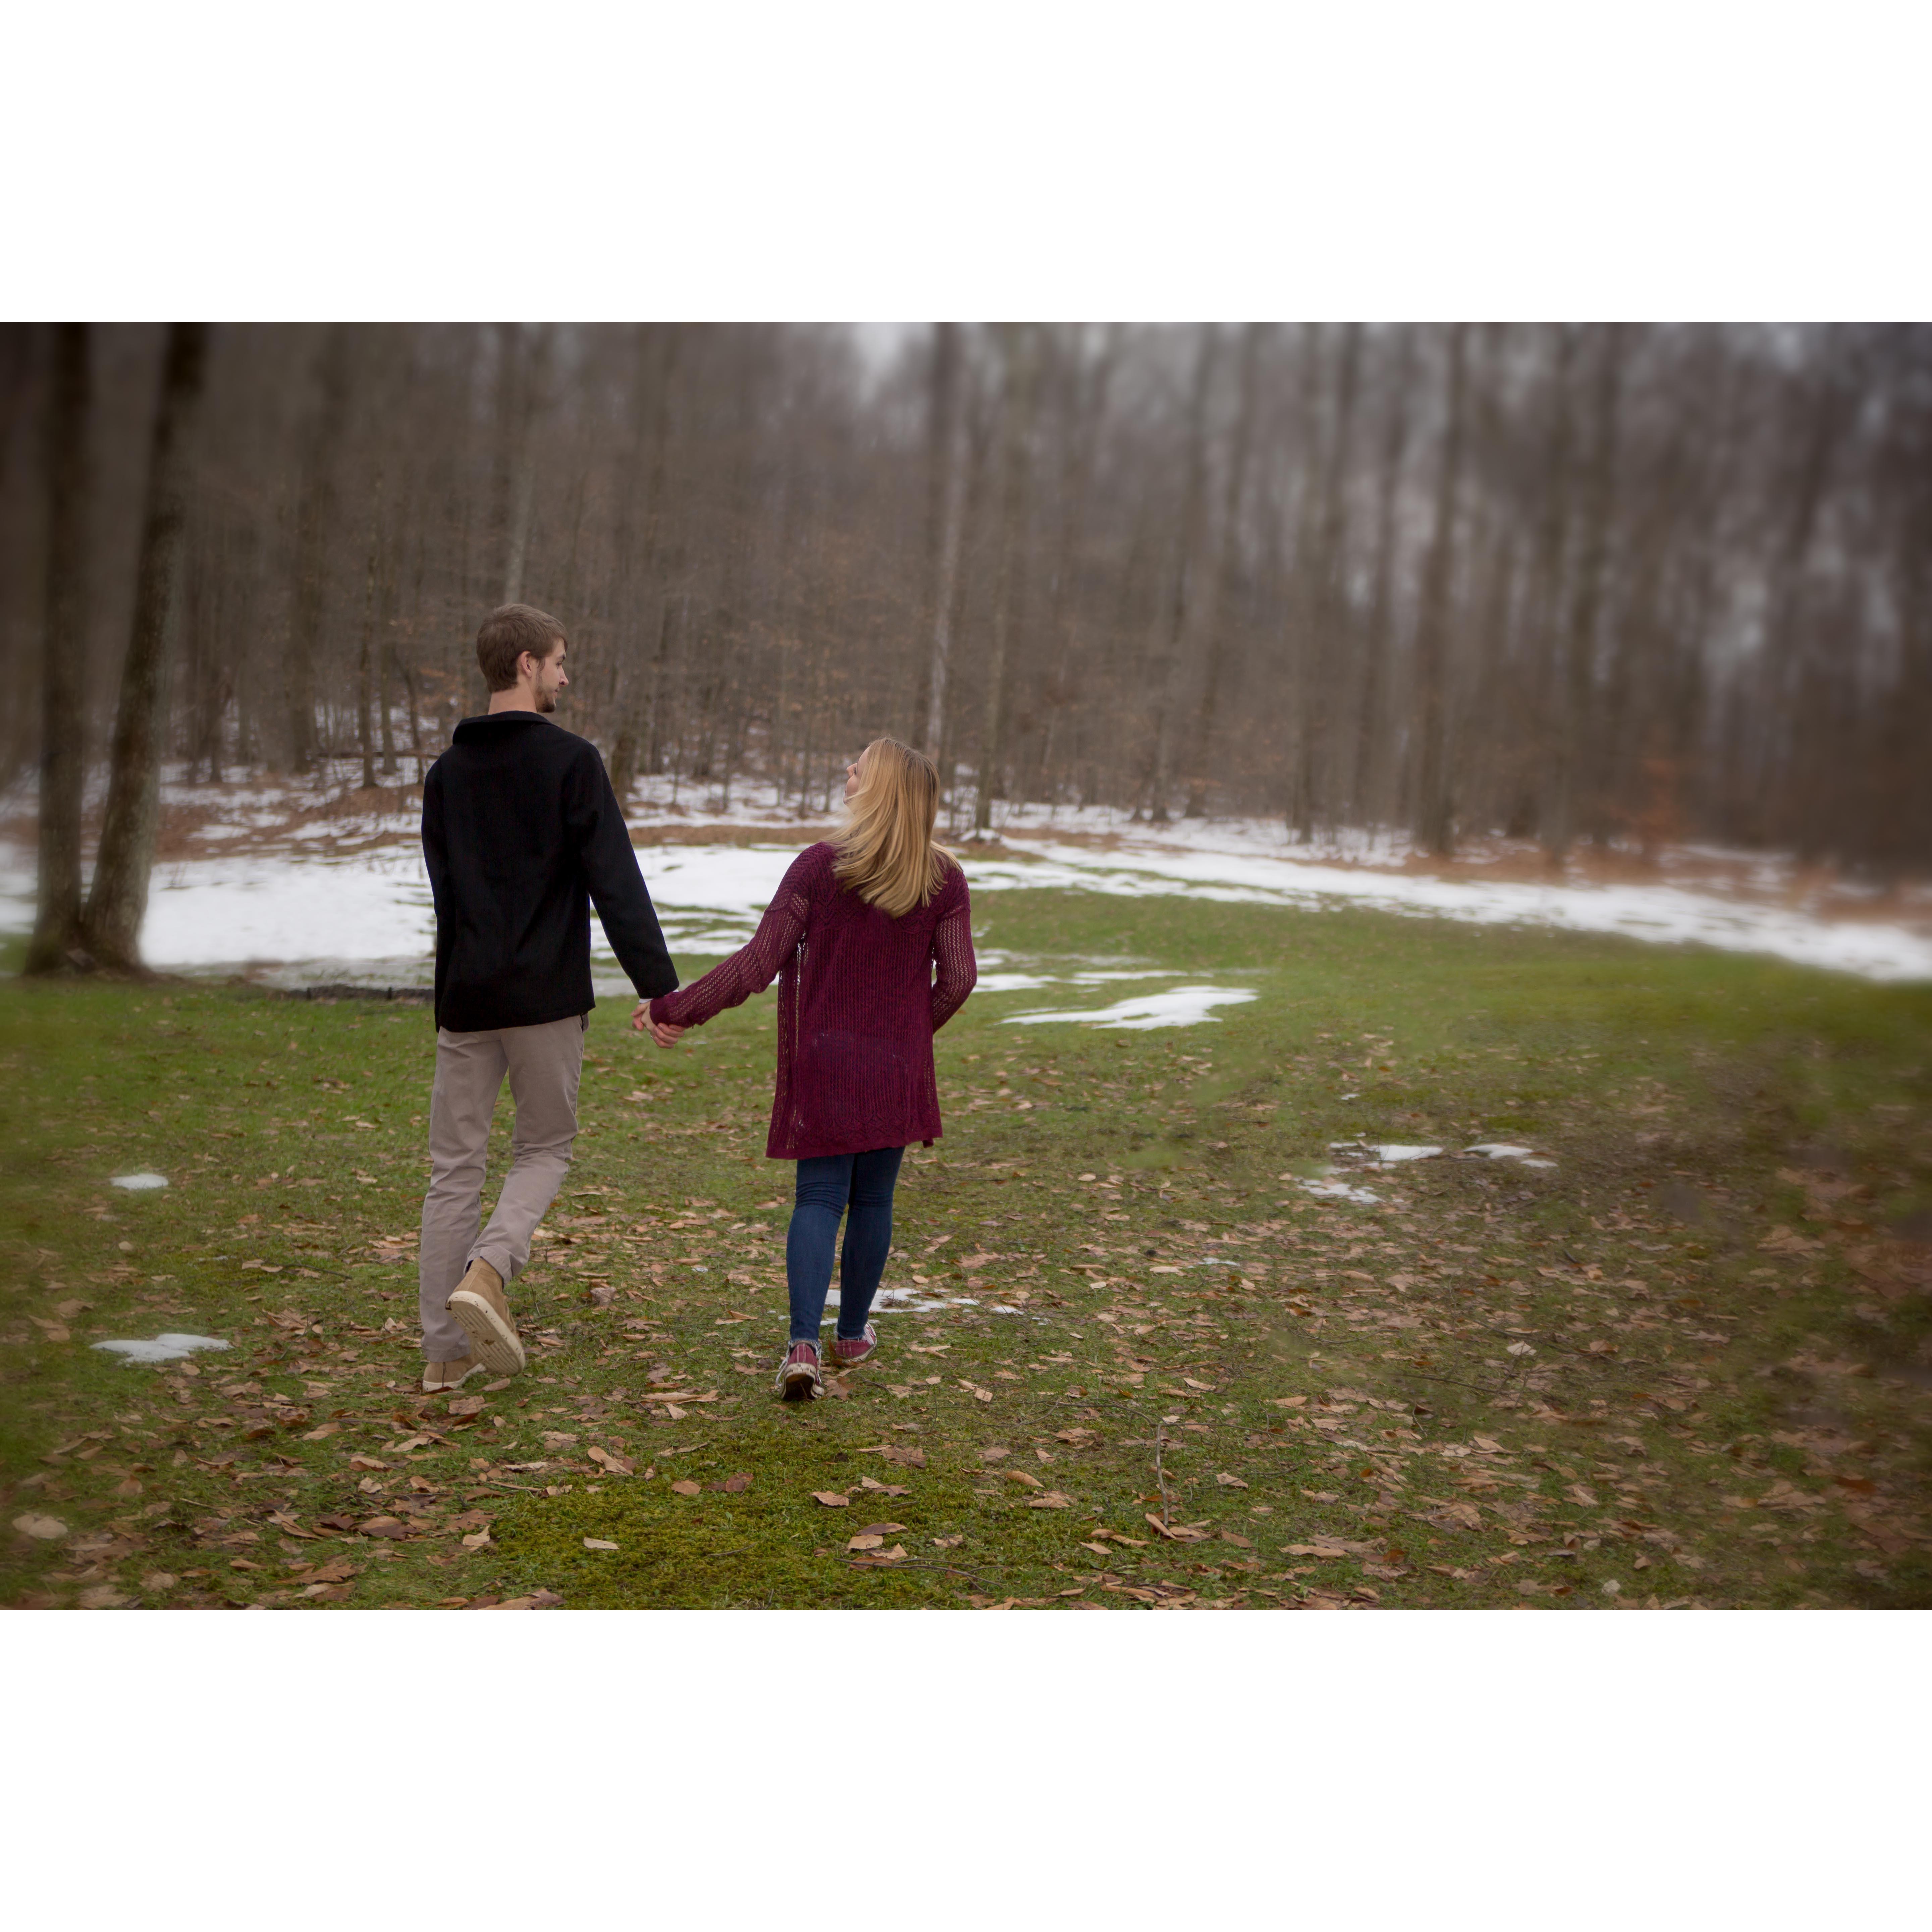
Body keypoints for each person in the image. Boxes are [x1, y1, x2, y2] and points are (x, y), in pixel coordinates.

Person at [640, 738, 976, 1398]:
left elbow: (758, 962)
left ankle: (803, 1346)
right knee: (873, 1199)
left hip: (825, 1059)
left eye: (859, 766)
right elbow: (960, 978)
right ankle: (851, 1334)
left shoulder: (820, 867)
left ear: (879, 788)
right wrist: (906, 1037)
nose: (847, 770)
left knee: (820, 1199)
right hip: (894, 1068)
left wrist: (676, 1009)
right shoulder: (943, 878)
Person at [417, 603, 678, 1393]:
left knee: (454, 1170)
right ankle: (489, 1270)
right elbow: (616, 882)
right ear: (527, 664)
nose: (566, 676)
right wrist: (661, 990)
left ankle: (444, 1357)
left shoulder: (446, 775)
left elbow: (447, 898)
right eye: (560, 662)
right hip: (544, 999)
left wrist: (455, 989)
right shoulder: (571, 762)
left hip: (467, 998)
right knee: (544, 1149)